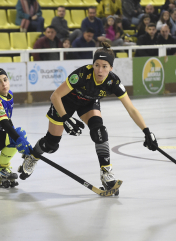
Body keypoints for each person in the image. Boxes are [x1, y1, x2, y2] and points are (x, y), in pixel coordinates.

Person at [17, 42, 159, 191]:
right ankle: (32, 156)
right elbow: (56, 96)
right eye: (97, 65)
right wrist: (66, 118)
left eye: (105, 66)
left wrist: (146, 131)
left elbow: (131, 109)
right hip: (65, 102)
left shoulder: (113, 82)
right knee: (51, 145)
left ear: (111, 68)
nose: (100, 70)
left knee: (100, 132)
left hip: (88, 103)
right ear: (92, 65)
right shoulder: (82, 74)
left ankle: (106, 172)